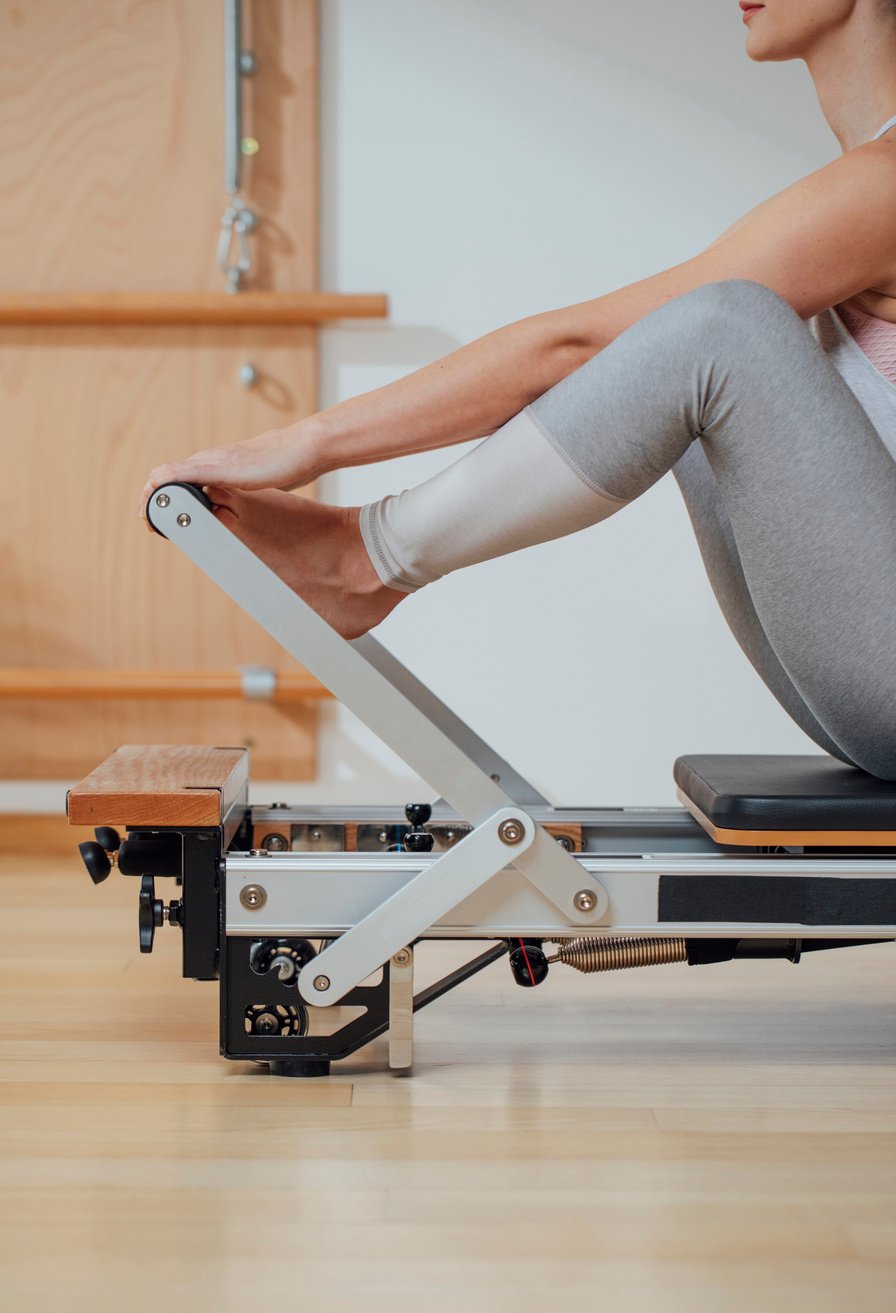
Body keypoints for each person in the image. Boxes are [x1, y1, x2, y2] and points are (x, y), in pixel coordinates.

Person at [141, 0, 896, 779]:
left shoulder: (884, 183)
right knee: (711, 381)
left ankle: (366, 557)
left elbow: (579, 345)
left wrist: (300, 442)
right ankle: (362, 554)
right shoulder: (868, 178)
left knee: (721, 333)